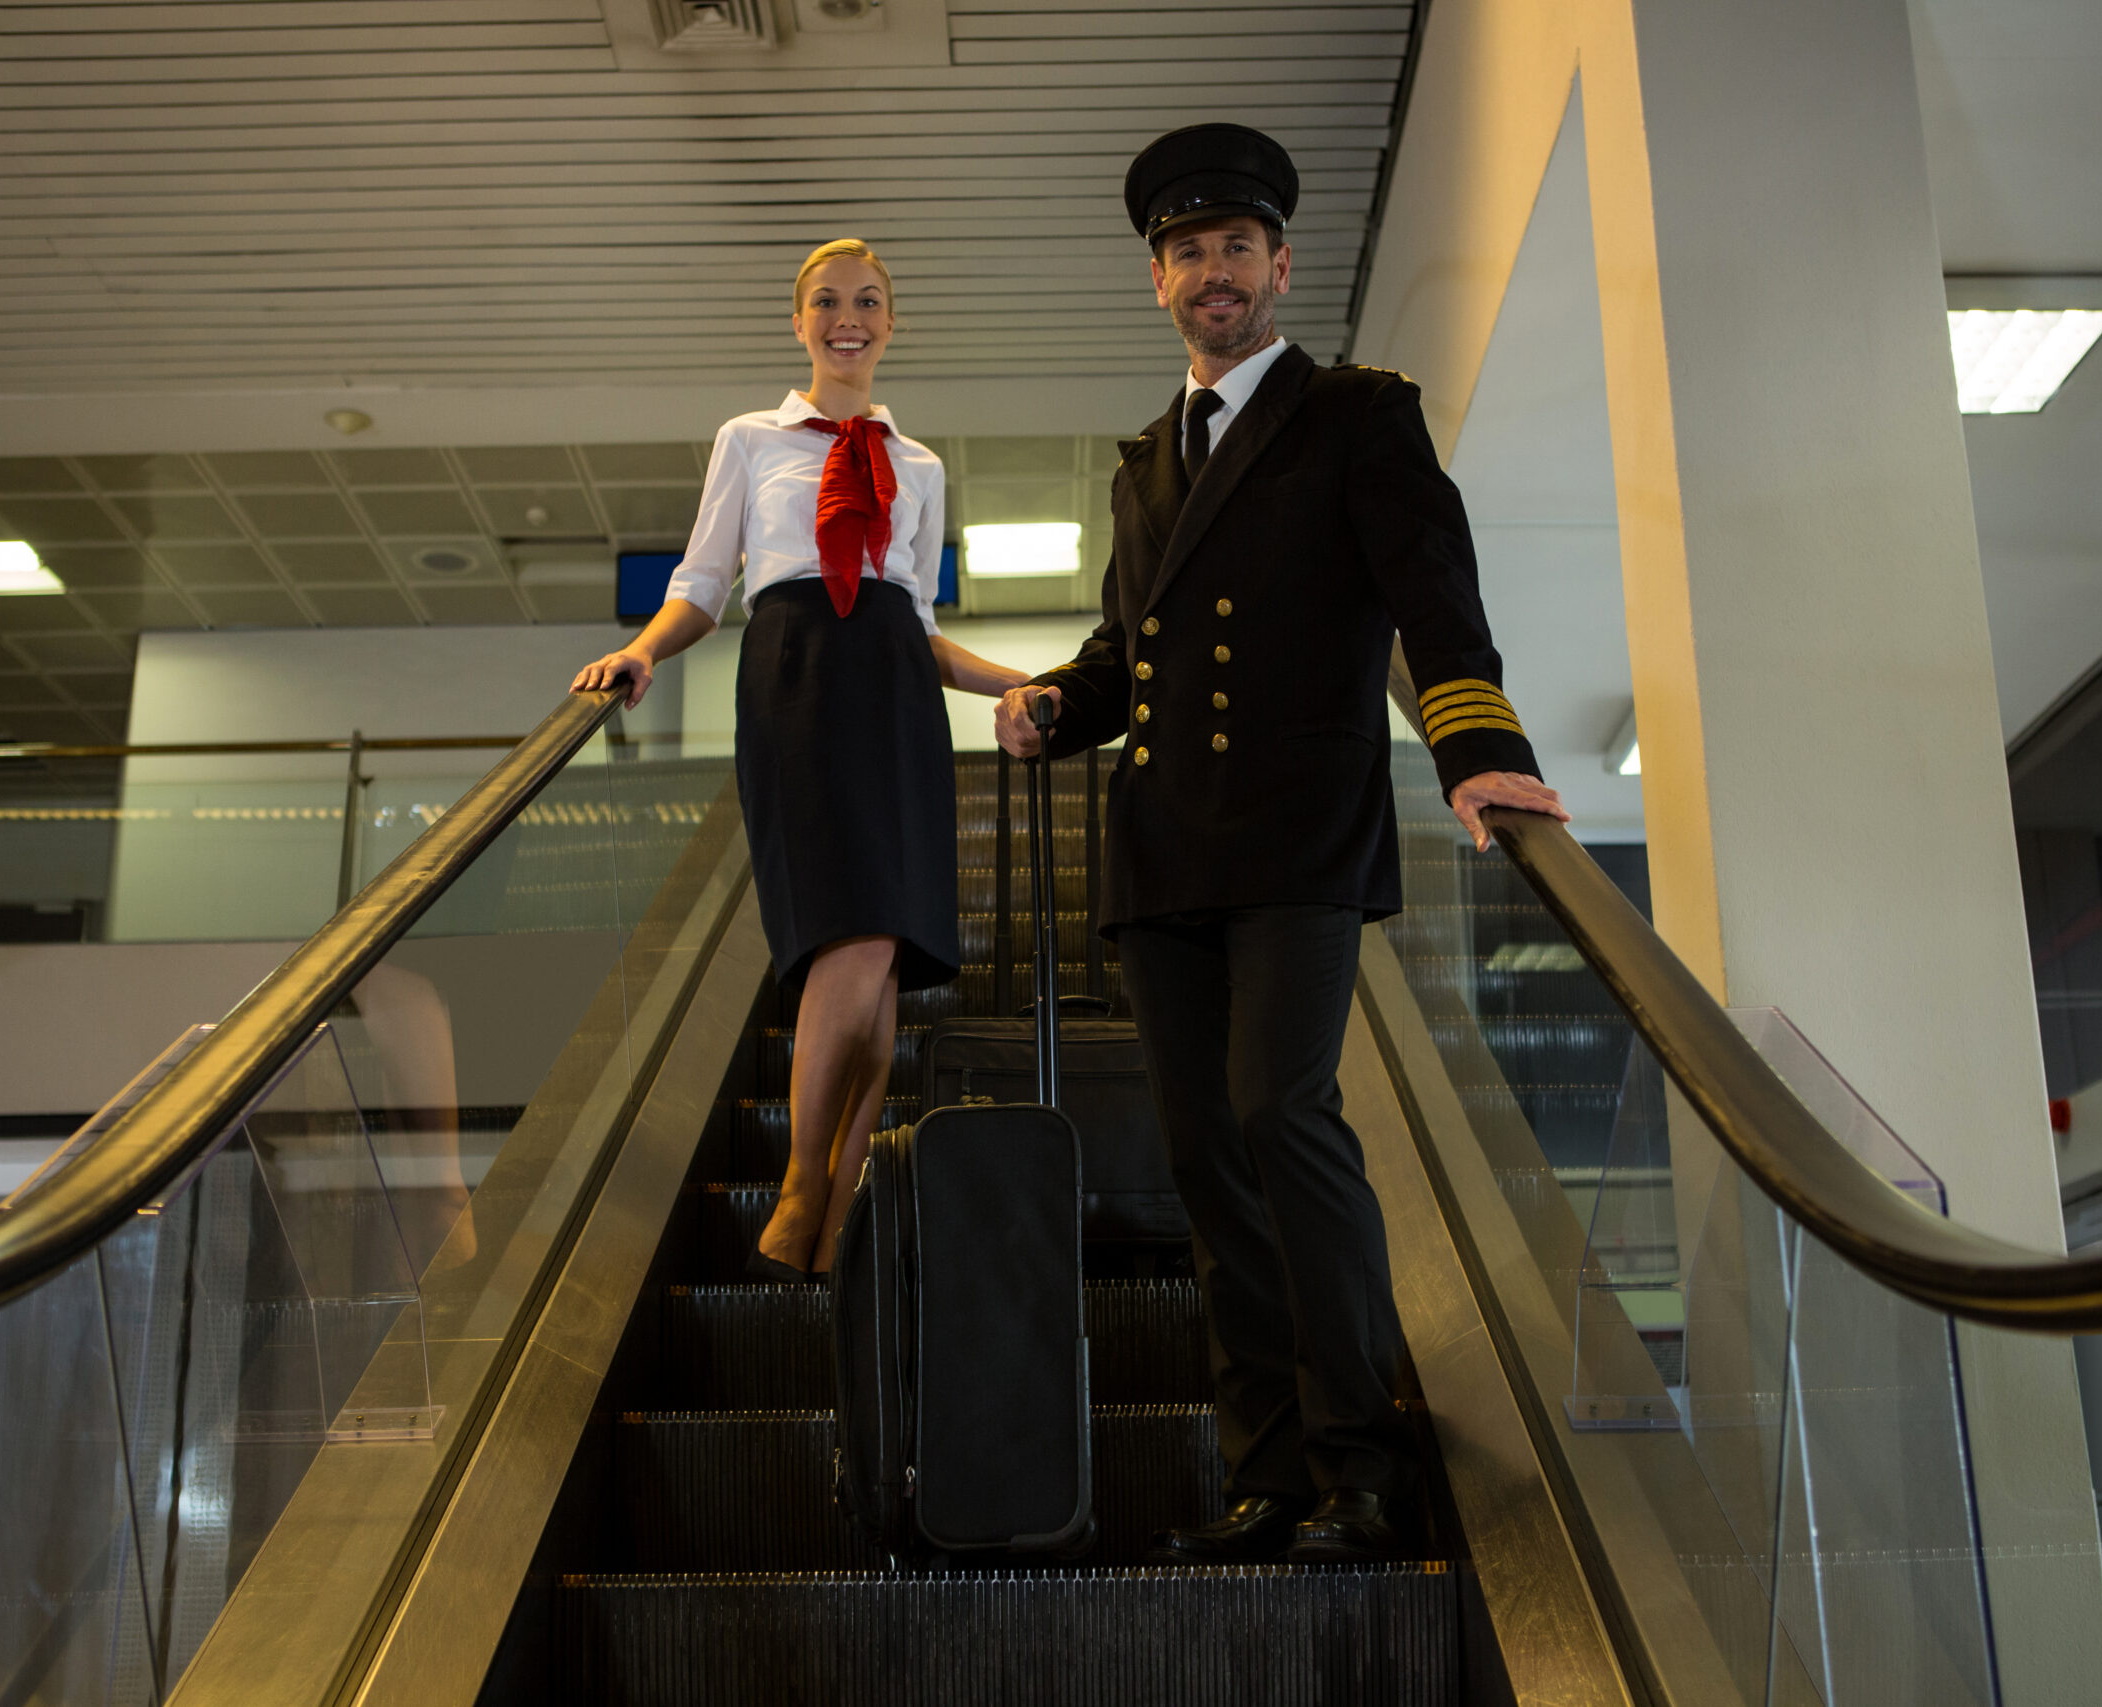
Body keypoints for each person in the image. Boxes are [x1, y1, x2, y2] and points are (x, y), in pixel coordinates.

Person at [995, 126, 1569, 1564]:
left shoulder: (1357, 414)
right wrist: (1061, 703)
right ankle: (1264, 1474)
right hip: (1167, 851)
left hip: (1302, 837)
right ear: (1160, 282)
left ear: (1280, 265)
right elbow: (1135, 646)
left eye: (1237, 248)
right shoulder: (1144, 460)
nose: (1213, 273)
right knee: (1203, 1152)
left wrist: (1481, 750)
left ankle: (1362, 1460)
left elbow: (1433, 593)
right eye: (1188, 253)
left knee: (1281, 1111)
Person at [576, 238, 1028, 1282]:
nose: (848, 318)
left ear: (891, 322)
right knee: (844, 933)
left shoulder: (920, 466)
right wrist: (641, 652)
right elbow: (700, 583)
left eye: (868, 301)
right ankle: (800, 1181)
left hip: (897, 693)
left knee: (881, 961)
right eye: (826, 301)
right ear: (798, 321)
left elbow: (917, 623)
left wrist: (1016, 682)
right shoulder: (749, 439)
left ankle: (840, 1182)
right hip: (795, 677)